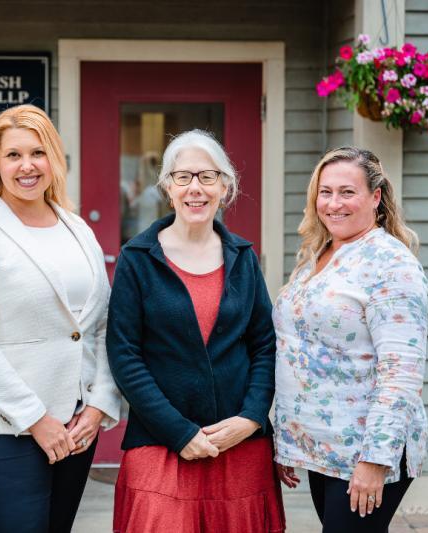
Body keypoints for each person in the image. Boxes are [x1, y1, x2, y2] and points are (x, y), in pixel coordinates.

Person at [0, 104, 121, 533]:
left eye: (38, 153)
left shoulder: (78, 229)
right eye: (13, 155)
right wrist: (37, 419)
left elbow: (101, 326)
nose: (27, 166)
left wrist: (99, 405)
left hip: (75, 426)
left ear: (54, 159)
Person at [107, 129, 286, 533]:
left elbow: (264, 345)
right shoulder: (137, 258)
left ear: (225, 187)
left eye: (207, 176)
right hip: (160, 442)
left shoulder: (243, 257)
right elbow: (124, 354)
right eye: (183, 176)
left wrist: (252, 417)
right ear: (167, 187)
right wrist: (179, 432)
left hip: (239, 445)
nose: (195, 188)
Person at [273, 146, 428, 532]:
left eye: (347, 192)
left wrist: (375, 460)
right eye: (325, 192)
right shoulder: (320, 253)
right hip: (323, 447)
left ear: (375, 197)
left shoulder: (391, 264)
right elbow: (297, 348)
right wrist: (286, 440)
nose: (333, 203)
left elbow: (401, 373)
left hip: (365, 449)